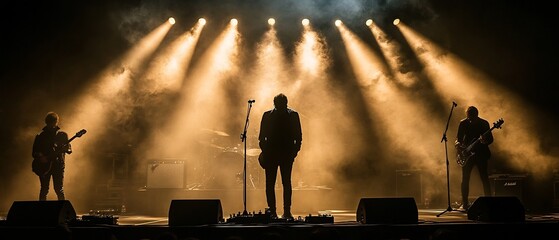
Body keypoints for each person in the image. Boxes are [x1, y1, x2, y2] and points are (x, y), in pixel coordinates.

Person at [258, 93, 302, 219]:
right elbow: (261, 137)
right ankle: (274, 212)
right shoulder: (269, 115)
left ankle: (285, 211)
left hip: (284, 154)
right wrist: (266, 152)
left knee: (283, 183)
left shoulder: (292, 115)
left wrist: (294, 152)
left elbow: (298, 136)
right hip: (274, 154)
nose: (281, 107)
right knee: (275, 183)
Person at [454, 106, 493, 211]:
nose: (470, 119)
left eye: (472, 116)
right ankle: (465, 203)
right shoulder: (463, 123)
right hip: (467, 154)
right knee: (465, 179)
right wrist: (458, 145)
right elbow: (458, 138)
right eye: (469, 116)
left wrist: (484, 141)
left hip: (481, 155)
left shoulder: (484, 123)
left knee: (484, 177)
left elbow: (490, 139)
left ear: (476, 114)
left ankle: (489, 202)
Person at [32, 111, 72, 201]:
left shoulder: (62, 135)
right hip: (44, 167)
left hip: (58, 166)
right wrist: (41, 157)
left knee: (58, 189)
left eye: (53, 122)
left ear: (56, 122)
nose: (51, 125)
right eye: (50, 123)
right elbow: (34, 152)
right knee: (44, 189)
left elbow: (69, 149)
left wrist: (66, 149)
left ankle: (61, 210)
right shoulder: (40, 136)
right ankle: (42, 211)